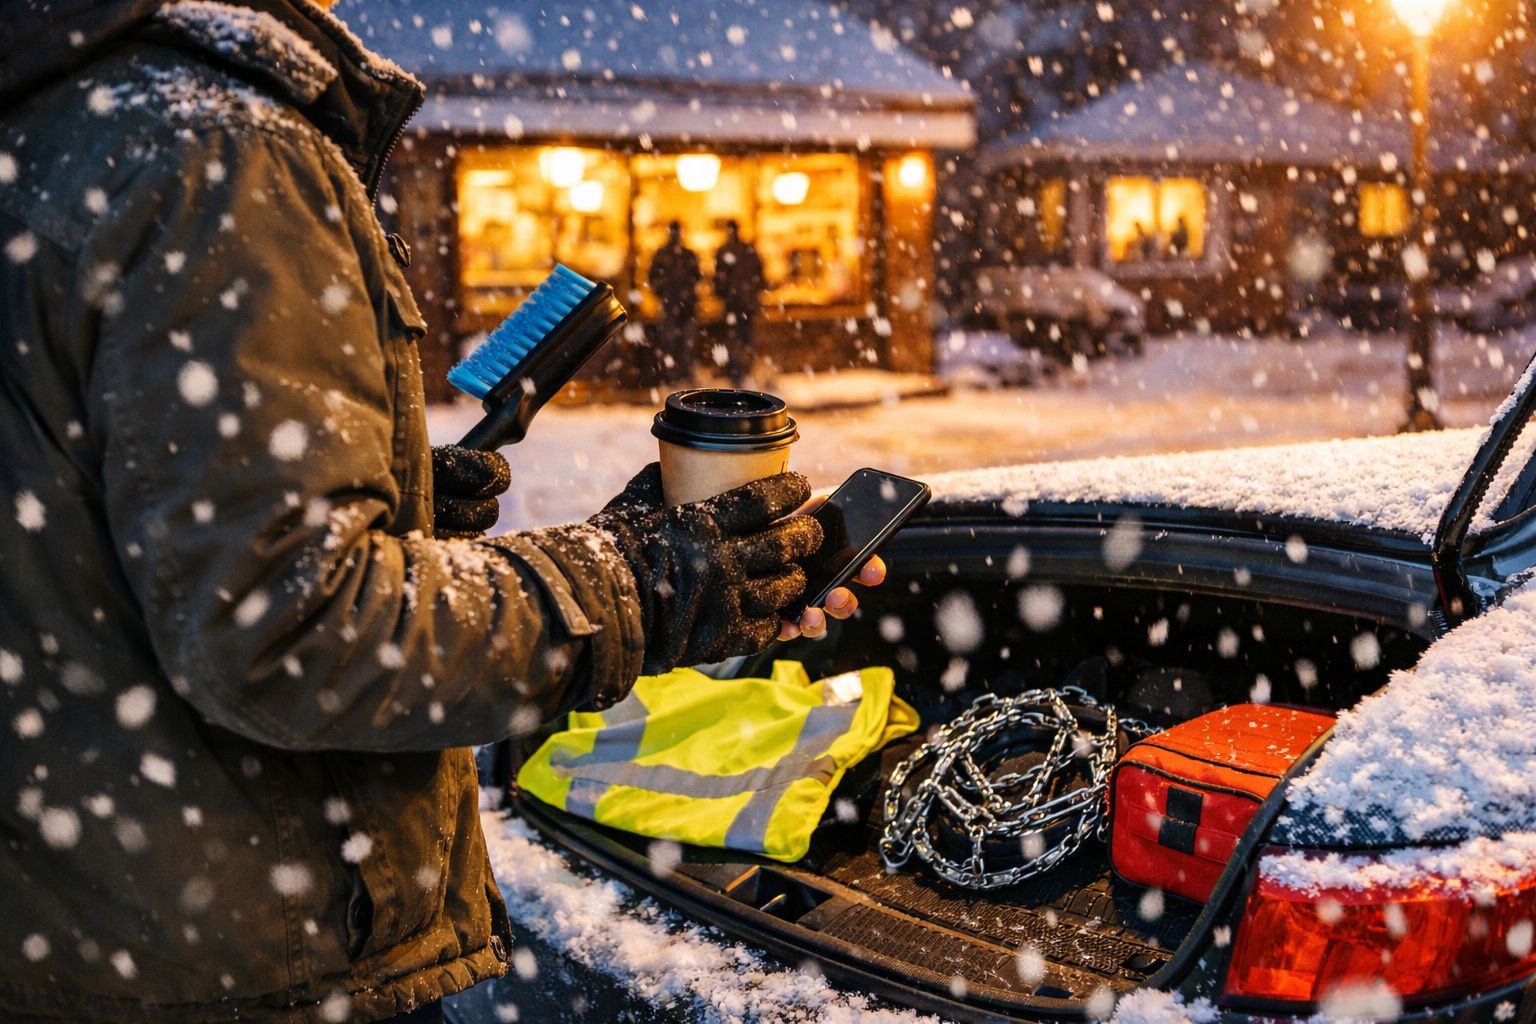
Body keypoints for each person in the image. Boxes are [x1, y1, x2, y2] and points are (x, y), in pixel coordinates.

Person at [0, 3, 881, 1022]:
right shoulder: (217, 143)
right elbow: (285, 625)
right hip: (242, 967)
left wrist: (369, 491)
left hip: (87, 927)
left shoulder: (59, 113)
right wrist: (634, 578)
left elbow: (70, 517)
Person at [646, 220, 701, 386]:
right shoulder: (677, 255)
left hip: (680, 306)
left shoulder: (676, 255)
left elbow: (696, 277)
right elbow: (696, 277)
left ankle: (678, 376)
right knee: (675, 343)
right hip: (675, 306)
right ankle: (675, 377)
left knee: (681, 344)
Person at [713, 219, 765, 387]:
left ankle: (738, 373)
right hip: (745, 304)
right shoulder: (747, 250)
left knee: (735, 339)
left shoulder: (725, 251)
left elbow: (719, 280)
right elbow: (759, 276)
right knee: (745, 339)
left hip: (734, 305)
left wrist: (724, 293)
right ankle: (742, 372)